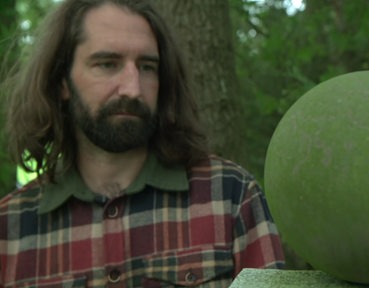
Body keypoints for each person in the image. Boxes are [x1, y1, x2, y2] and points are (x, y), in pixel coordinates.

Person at [0, 0, 285, 287]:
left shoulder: (229, 196)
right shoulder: (8, 232)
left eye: (147, 67)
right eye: (108, 64)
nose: (133, 89)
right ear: (62, 80)